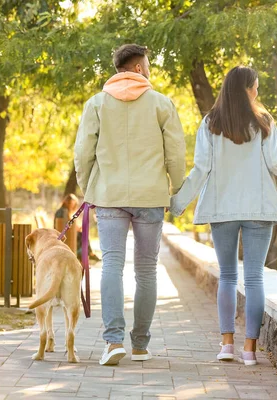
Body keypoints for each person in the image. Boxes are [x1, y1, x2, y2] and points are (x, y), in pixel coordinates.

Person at [170, 66, 277, 366]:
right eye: (256, 87)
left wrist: (178, 203)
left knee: (227, 276)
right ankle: (249, 350)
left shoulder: (211, 123)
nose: (258, 92)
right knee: (254, 278)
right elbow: (276, 163)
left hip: (222, 209)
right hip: (259, 208)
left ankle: (226, 345)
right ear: (247, 88)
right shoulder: (264, 122)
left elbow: (201, 169)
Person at [74, 44, 186, 366]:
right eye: (148, 64)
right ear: (138, 68)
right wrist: (176, 189)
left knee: (111, 264)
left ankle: (112, 343)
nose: (149, 69)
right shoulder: (161, 104)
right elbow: (175, 153)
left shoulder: (95, 104)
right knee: (146, 270)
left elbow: (83, 153)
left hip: (109, 196)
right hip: (150, 197)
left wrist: (88, 188)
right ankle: (139, 345)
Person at [53, 193, 99, 262]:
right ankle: (87, 253)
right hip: (64, 235)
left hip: (63, 233)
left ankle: (86, 253)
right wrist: (77, 228)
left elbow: (68, 224)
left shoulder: (62, 210)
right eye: (72, 204)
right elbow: (66, 225)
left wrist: (77, 228)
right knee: (82, 235)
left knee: (82, 235)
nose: (72, 206)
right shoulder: (64, 211)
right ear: (67, 202)